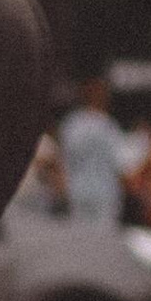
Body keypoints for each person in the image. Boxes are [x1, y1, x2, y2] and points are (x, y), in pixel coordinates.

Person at [57, 77, 128, 229]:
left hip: (83, 191)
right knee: (99, 238)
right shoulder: (108, 126)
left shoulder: (72, 123)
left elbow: (64, 157)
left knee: (82, 237)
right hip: (99, 193)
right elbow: (121, 163)